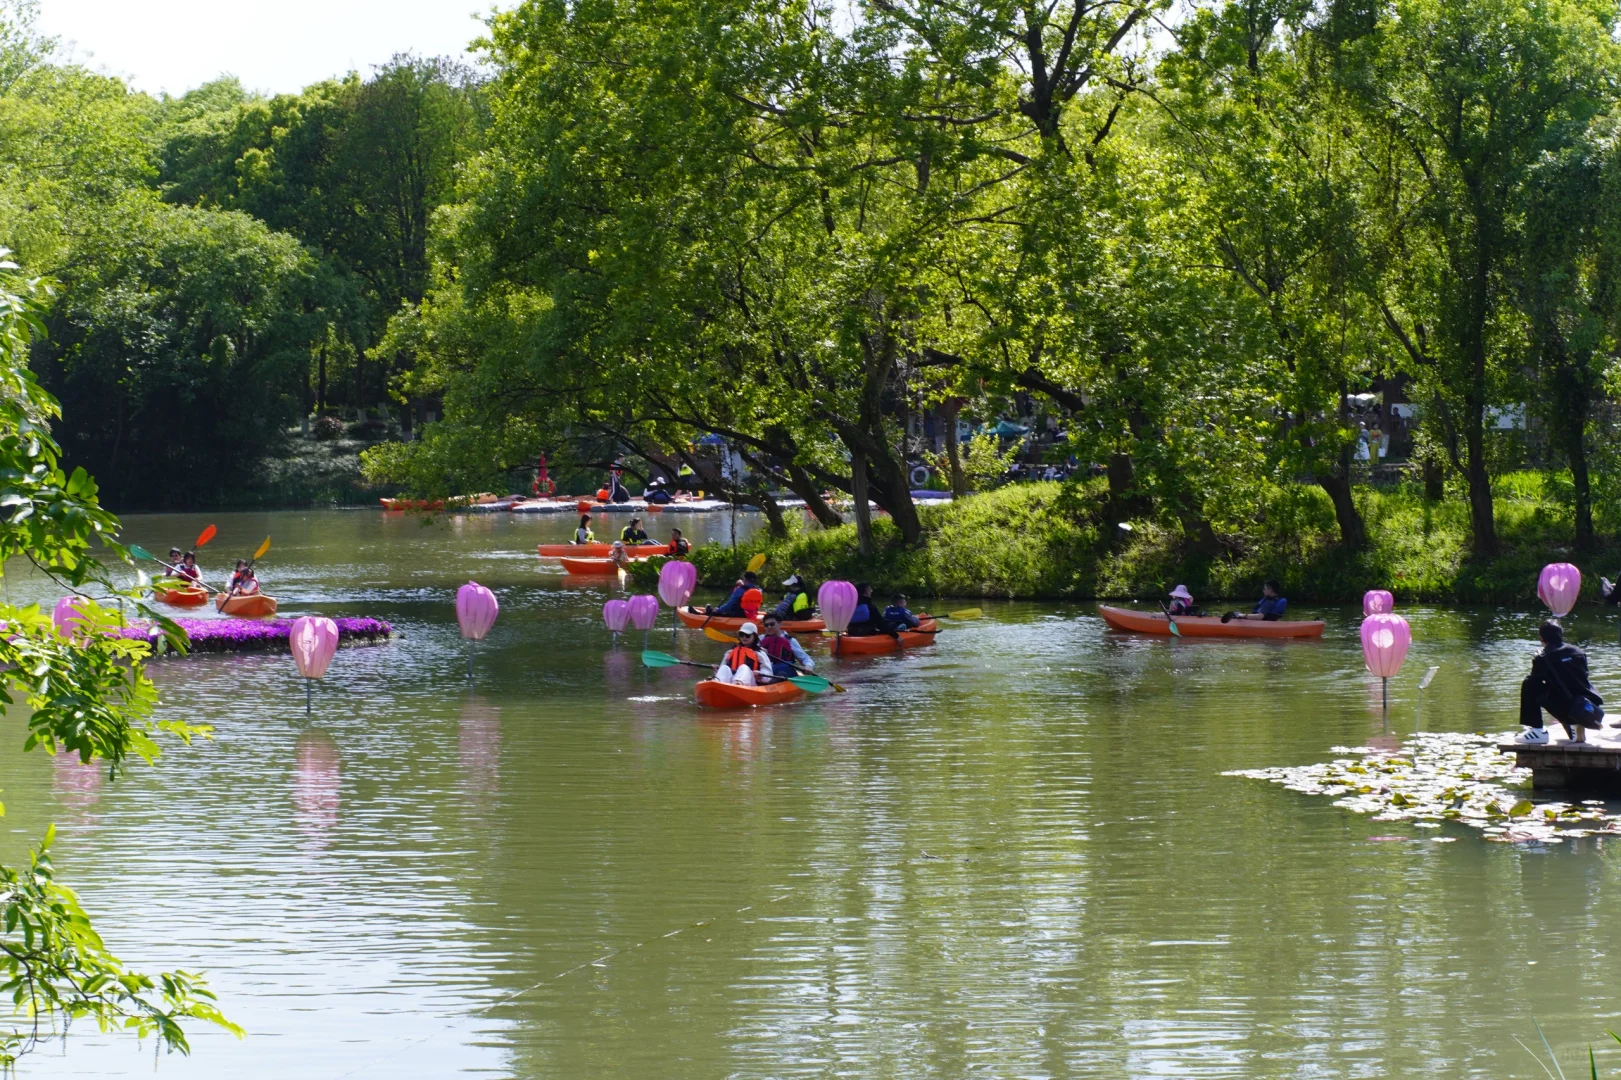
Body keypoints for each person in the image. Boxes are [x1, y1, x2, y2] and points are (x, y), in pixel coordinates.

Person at [1518, 620, 1605, 744]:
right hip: (1588, 706)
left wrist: (1539, 660)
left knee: (1529, 684)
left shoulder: (1543, 657)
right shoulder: (1578, 652)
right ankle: (1575, 724)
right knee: (1569, 687)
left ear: (1541, 638)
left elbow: (1535, 682)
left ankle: (1537, 731)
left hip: (1567, 708)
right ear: (1561, 635)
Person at [758, 613, 815, 681]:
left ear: (780, 624)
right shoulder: (760, 640)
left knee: (783, 670)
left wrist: (808, 666)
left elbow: (805, 658)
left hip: (784, 672)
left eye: (772, 624)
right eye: (766, 625)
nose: (769, 627)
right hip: (766, 672)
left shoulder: (790, 641)